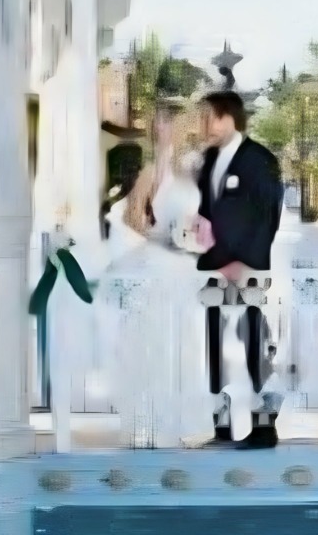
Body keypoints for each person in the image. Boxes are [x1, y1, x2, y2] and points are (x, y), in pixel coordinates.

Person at [100, 106, 212, 448]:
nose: (166, 131)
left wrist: (198, 240)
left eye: (170, 125)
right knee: (156, 339)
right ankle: (154, 424)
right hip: (159, 262)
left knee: (187, 340)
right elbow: (134, 217)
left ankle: (187, 423)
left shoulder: (190, 170)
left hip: (187, 266)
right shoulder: (152, 170)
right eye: (160, 125)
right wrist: (163, 236)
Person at [195, 89, 283, 450]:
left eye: (210, 118)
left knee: (253, 346)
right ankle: (222, 425)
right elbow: (207, 212)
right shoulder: (208, 160)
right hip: (213, 271)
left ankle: (264, 426)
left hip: (249, 271)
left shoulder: (260, 160)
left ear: (230, 117)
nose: (205, 126)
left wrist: (246, 260)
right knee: (215, 347)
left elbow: (268, 216)